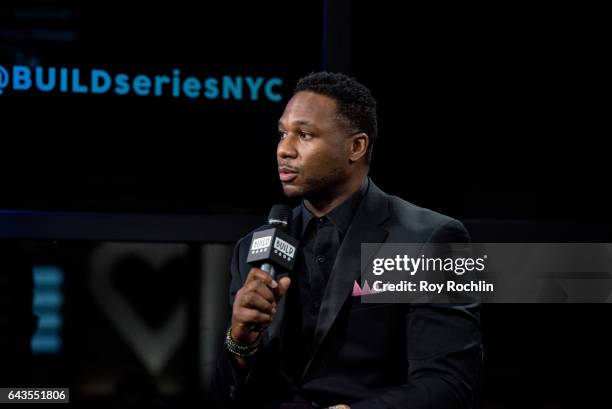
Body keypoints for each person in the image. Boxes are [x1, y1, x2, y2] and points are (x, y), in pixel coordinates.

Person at [214, 72, 482, 409]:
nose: (284, 149)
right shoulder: (251, 248)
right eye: (282, 133)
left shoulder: (427, 238)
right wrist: (239, 340)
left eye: (304, 135)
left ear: (356, 146)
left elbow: (448, 385)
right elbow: (229, 391)